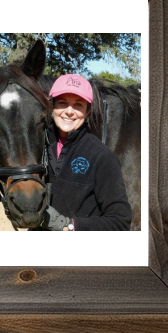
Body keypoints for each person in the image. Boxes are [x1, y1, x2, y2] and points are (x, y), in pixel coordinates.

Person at [43, 74, 132, 231]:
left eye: (78, 105)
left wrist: (70, 226)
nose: (69, 112)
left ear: (88, 110)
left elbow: (120, 221)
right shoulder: (38, 146)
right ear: (52, 106)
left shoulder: (102, 157)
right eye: (62, 103)